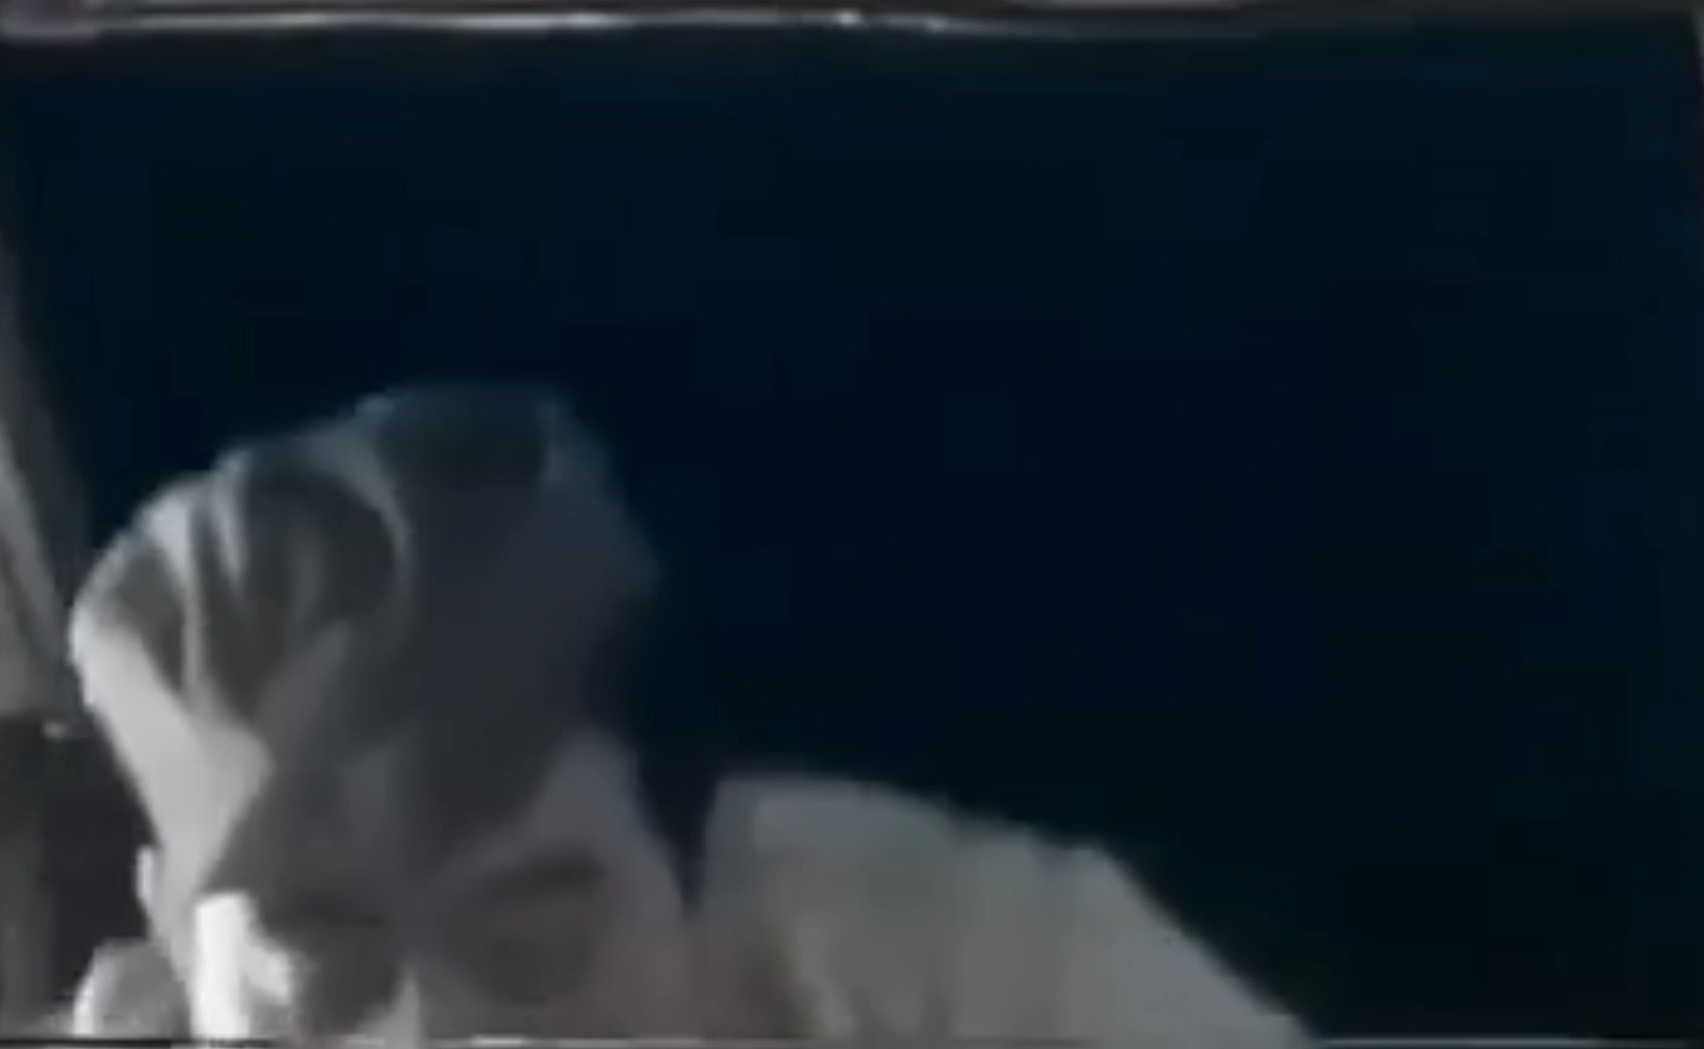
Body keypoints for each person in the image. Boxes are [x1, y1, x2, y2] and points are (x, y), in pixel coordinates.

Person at [59, 384, 1306, 1046]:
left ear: (696, 863)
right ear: (173, 956)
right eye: (320, 986)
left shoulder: (980, 964)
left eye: (534, 942)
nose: (441, 1038)